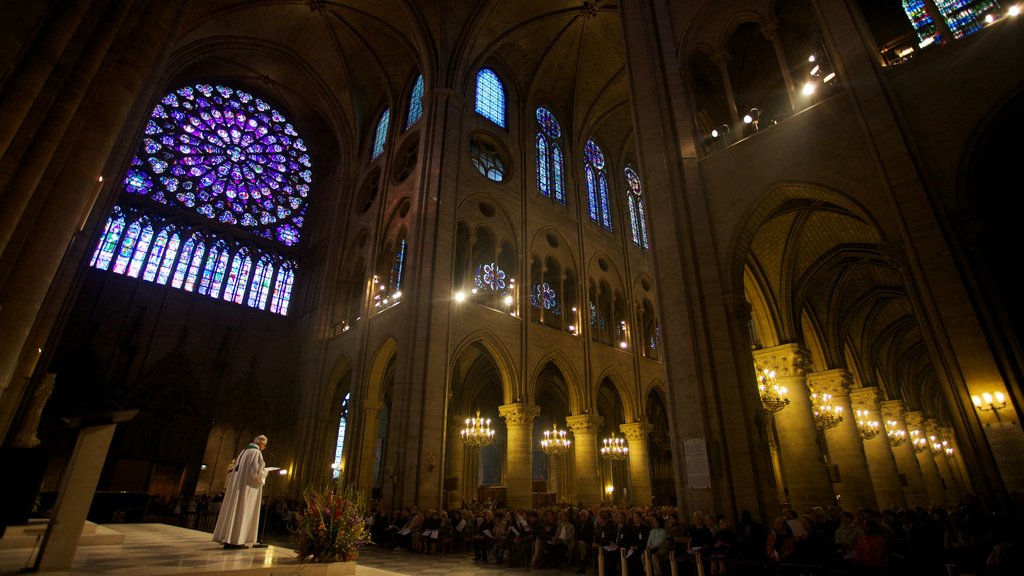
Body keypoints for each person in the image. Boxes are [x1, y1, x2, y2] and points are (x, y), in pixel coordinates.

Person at [212, 435, 271, 549]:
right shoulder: (256, 453)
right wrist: (265, 472)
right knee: (243, 510)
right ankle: (237, 540)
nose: (264, 448)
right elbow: (256, 472)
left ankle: (228, 539)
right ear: (261, 444)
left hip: (238, 486)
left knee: (235, 510)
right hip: (246, 488)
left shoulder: (244, 451)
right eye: (264, 445)